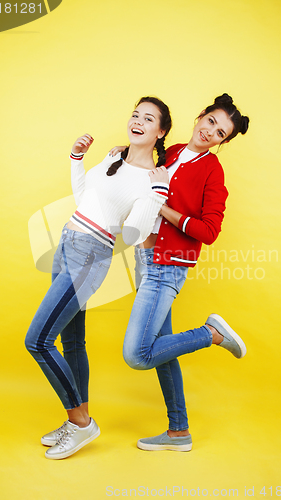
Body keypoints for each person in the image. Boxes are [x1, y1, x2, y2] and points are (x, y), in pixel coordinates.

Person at [25, 96, 172, 459]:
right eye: (135, 114)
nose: (137, 121)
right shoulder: (113, 157)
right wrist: (77, 159)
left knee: (38, 340)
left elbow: (134, 234)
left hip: (90, 254)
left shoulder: (151, 179)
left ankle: (81, 423)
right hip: (68, 241)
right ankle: (81, 420)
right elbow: (83, 198)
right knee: (72, 342)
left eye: (148, 118)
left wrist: (159, 192)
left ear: (161, 132)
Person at [111, 93, 249, 451]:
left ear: (223, 142)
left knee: (138, 353)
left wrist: (166, 208)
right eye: (210, 121)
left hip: (167, 266)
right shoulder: (169, 153)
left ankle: (211, 334)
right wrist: (124, 154)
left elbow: (209, 231)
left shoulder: (211, 171)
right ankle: (179, 432)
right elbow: (143, 171)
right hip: (146, 258)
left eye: (220, 132)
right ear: (200, 116)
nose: (210, 131)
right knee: (162, 349)